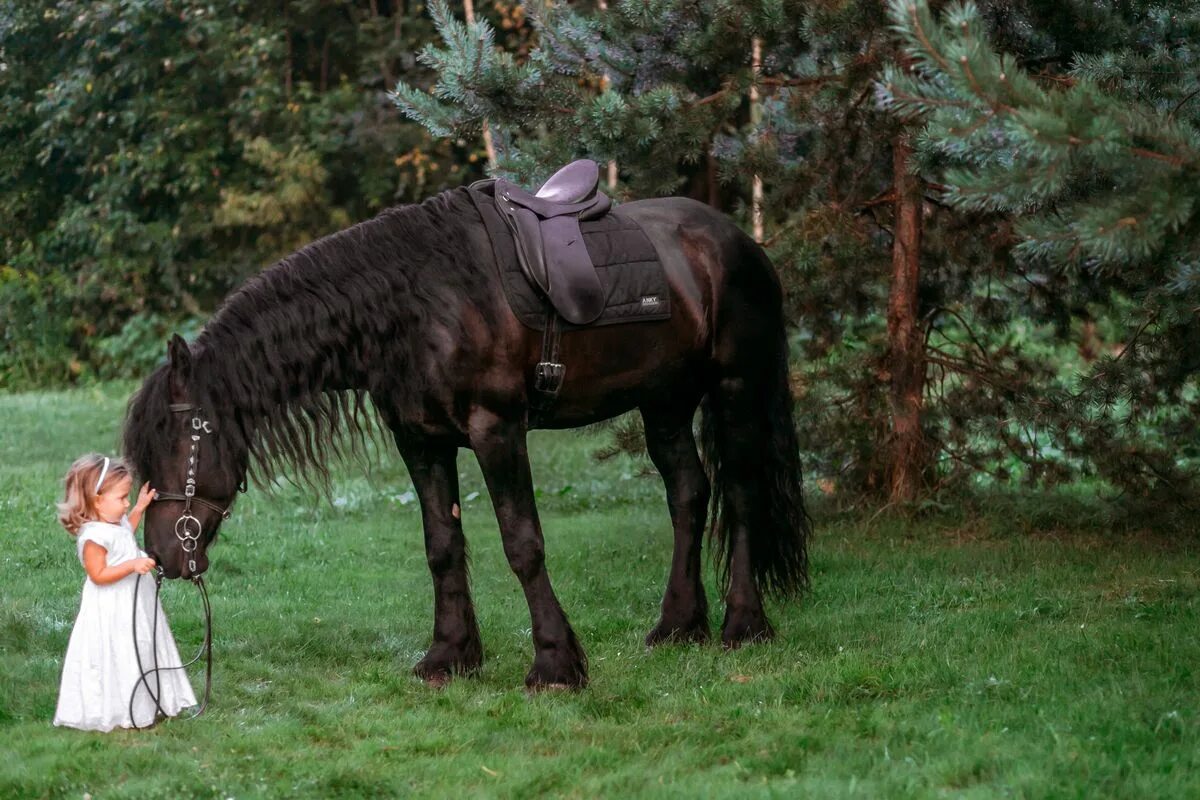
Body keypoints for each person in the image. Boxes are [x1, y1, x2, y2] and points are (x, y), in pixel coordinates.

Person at [53, 454, 197, 731]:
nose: (126, 502)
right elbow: (99, 575)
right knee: (121, 651)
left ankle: (151, 701)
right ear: (97, 500)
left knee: (141, 646)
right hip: (113, 610)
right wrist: (132, 564)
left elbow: (124, 535)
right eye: (122, 498)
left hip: (136, 604)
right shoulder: (93, 537)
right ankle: (122, 707)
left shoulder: (112, 524)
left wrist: (140, 508)